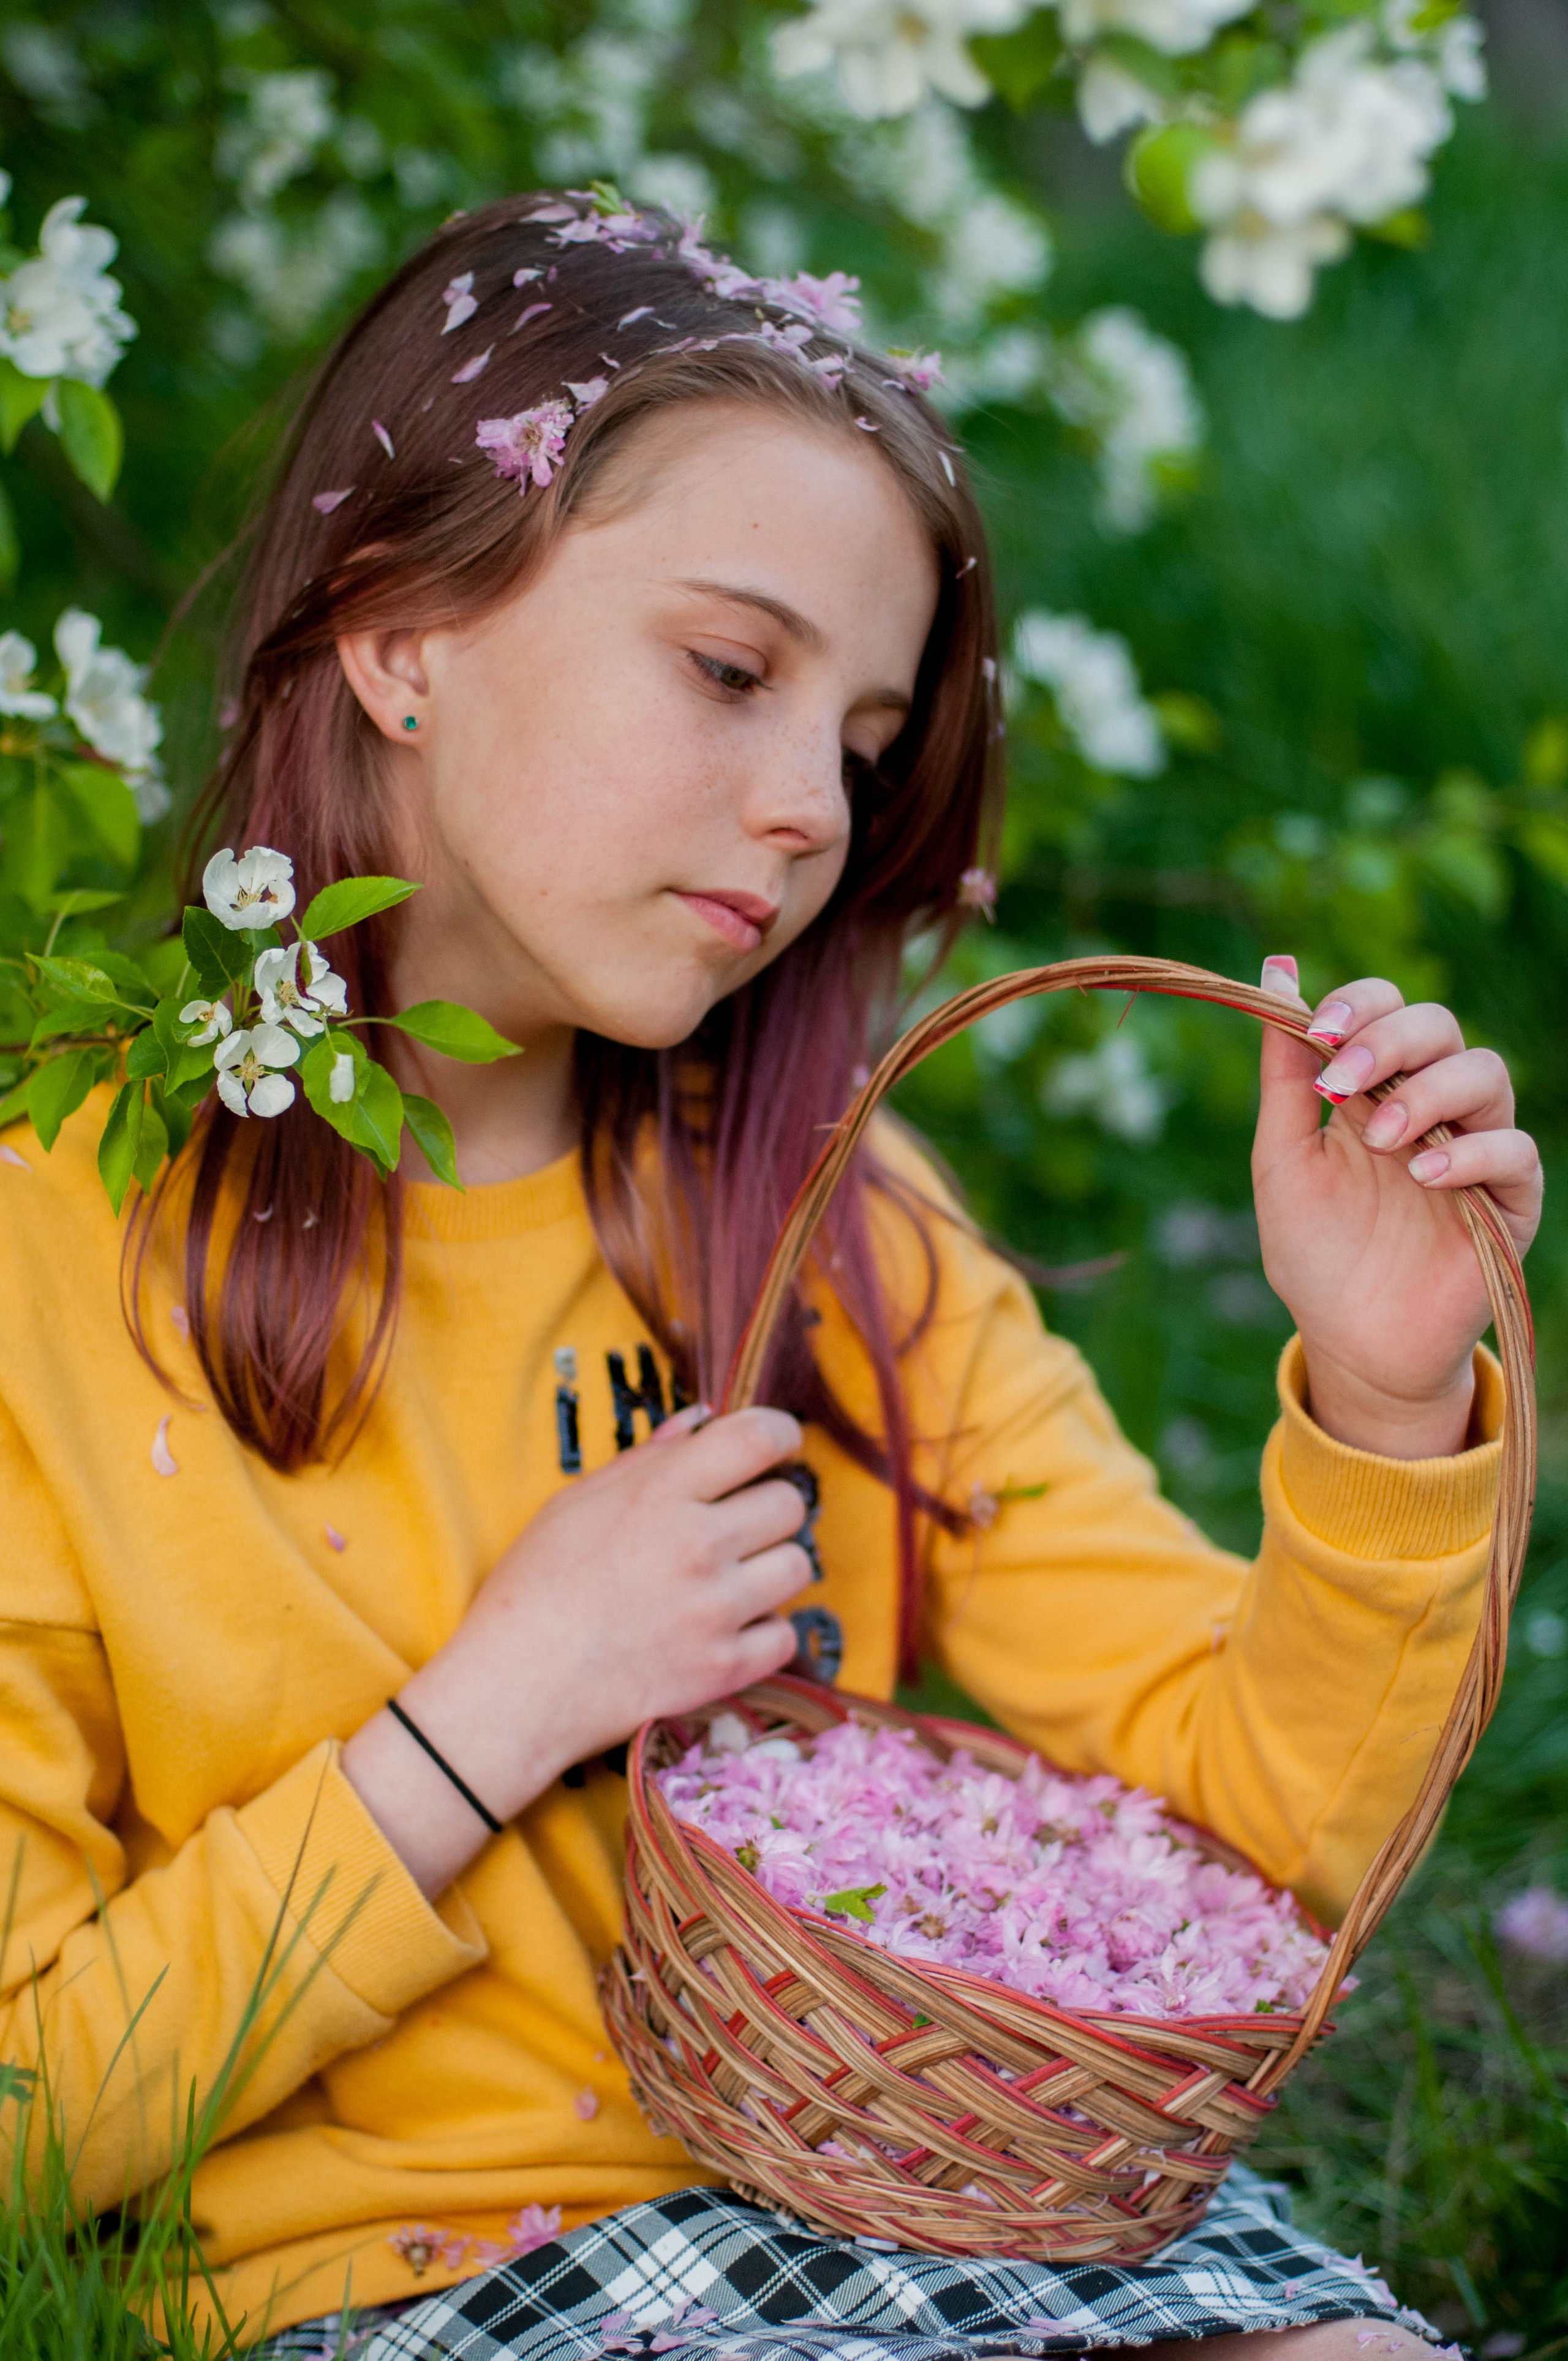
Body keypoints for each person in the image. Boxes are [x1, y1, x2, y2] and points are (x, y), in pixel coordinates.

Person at [0, 193, 1539, 2361]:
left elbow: (1255, 1822)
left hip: (915, 2179)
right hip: (410, 2291)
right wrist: (498, 1710)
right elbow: (22, 2111)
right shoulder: (52, 1262)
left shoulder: (835, 1214)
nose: (814, 804)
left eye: (864, 739)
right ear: (401, 633)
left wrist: (1384, 1405)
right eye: (733, 671)